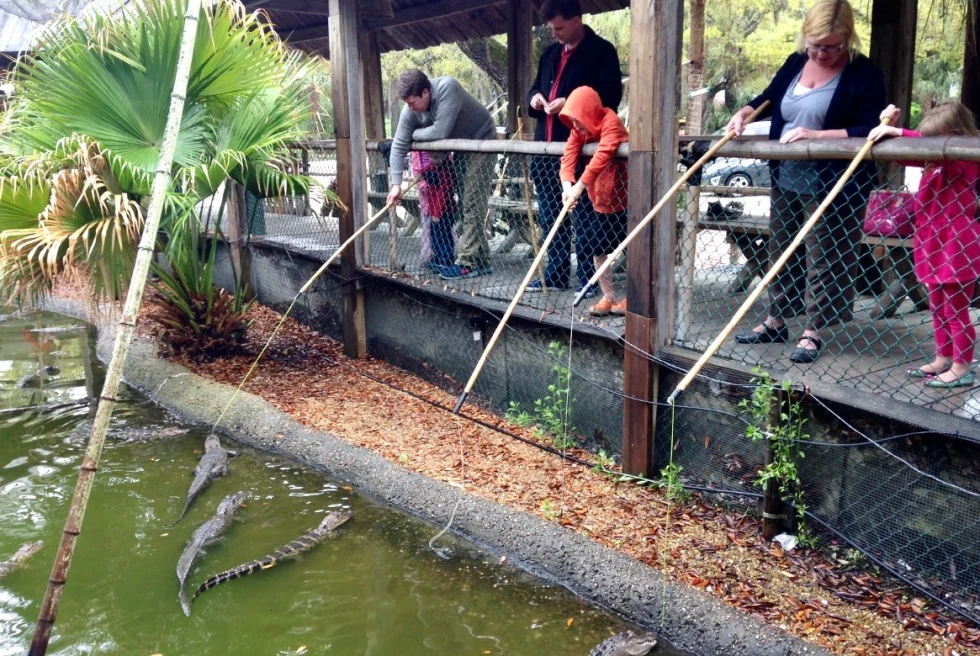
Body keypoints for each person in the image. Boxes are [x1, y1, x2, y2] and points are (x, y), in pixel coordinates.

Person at [730, 0, 886, 363]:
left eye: (831, 46)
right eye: (815, 45)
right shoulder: (795, 62)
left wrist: (817, 136)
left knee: (822, 253)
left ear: (848, 38)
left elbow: (870, 127)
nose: (821, 53)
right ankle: (775, 319)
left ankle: (813, 330)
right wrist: (742, 114)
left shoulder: (864, 73)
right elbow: (765, 100)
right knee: (780, 248)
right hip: (786, 173)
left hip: (833, 179)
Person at [868, 102, 980, 388]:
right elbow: (907, 154)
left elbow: (922, 143)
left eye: (934, 139)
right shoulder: (933, 160)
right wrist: (890, 129)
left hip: (956, 241)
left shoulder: (966, 155)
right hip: (931, 239)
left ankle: (962, 366)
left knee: (955, 309)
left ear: (954, 134)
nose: (928, 145)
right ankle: (943, 358)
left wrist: (896, 129)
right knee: (937, 306)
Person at [524, 0, 623, 296]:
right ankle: (554, 273)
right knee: (550, 214)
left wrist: (570, 103)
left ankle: (588, 278)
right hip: (547, 145)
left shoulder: (601, 51)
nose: (555, 34)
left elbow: (610, 95)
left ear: (576, 20)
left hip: (582, 147)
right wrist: (535, 100)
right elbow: (533, 88)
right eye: (551, 29)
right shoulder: (549, 54)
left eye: (559, 28)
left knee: (584, 217)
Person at [386, 69, 496, 280]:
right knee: (466, 204)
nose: (409, 108)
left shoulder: (448, 88)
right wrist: (396, 185)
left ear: (425, 93)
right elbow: (398, 145)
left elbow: (440, 132)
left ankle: (468, 262)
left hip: (482, 140)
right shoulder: (410, 111)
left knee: (473, 202)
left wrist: (414, 135)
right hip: (463, 147)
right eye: (406, 103)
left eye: (412, 102)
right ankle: (481, 260)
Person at [558, 86, 629, 316]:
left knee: (634, 249)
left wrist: (580, 185)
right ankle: (608, 297)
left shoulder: (611, 122)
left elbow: (602, 156)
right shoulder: (579, 129)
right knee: (599, 248)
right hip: (600, 199)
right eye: (572, 120)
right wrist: (567, 187)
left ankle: (634, 299)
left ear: (589, 112)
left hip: (627, 197)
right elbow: (568, 156)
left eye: (578, 119)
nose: (575, 126)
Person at [409, 150, 457, 270]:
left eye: (436, 157)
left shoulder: (447, 172)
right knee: (434, 235)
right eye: (431, 157)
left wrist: (437, 213)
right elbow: (427, 169)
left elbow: (443, 195)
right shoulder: (433, 166)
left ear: (445, 155)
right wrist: (420, 175)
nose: (434, 160)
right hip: (433, 208)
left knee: (444, 236)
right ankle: (437, 258)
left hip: (445, 211)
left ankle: (446, 261)